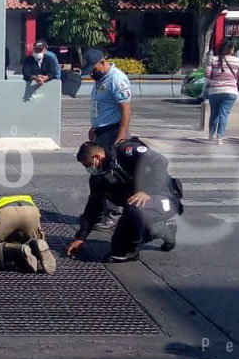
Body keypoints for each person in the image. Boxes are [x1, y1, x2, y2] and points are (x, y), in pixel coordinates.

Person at [67, 139, 182, 263]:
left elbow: (160, 161)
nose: (88, 169)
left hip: (164, 198)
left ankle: (130, 252)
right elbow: (92, 207)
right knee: (118, 244)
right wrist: (81, 237)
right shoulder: (99, 179)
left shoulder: (126, 152)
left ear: (96, 157)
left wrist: (147, 192)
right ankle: (163, 230)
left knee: (134, 209)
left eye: (88, 165)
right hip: (137, 207)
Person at [86, 51, 133, 230]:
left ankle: (113, 214)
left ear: (102, 62)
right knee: (97, 175)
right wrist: (95, 127)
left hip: (113, 131)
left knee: (110, 176)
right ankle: (98, 212)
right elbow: (101, 106)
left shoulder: (116, 79)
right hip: (102, 131)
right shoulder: (100, 80)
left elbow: (126, 109)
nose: (91, 73)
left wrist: (120, 137)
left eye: (93, 68)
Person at [205, 40, 239, 145]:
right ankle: (220, 138)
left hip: (214, 90)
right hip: (230, 91)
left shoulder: (213, 59)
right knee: (224, 114)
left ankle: (210, 135)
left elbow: (207, 74)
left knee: (214, 113)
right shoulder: (237, 61)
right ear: (231, 49)